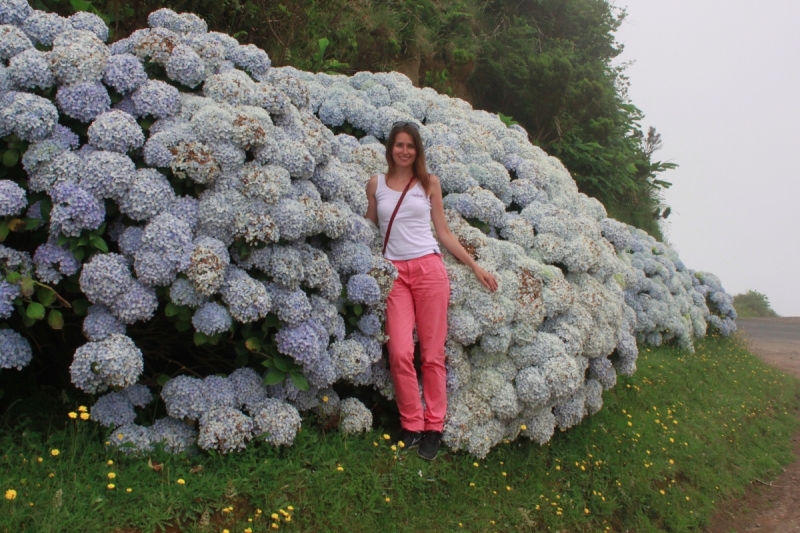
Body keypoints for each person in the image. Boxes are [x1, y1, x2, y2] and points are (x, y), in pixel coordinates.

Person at [365, 122, 498, 460]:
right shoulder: (376, 185)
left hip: (428, 270)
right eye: (399, 145)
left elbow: (444, 233)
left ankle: (434, 427)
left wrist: (475, 266)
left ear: (417, 150)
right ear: (390, 148)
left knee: (433, 354)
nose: (405, 151)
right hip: (394, 274)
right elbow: (368, 229)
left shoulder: (429, 184)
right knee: (398, 352)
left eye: (410, 146)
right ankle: (411, 424)